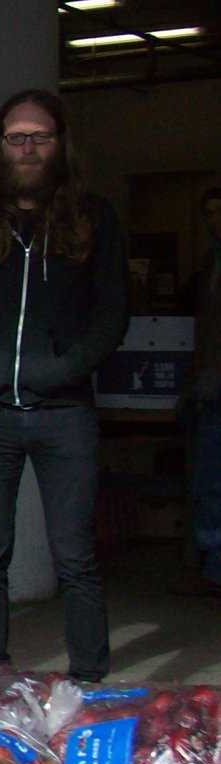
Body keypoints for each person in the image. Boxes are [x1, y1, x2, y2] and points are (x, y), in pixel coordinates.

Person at [0, 87, 128, 683]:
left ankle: (90, 681)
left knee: (76, 557)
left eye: (40, 137)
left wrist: (64, 370)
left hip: (65, 414)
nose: (28, 148)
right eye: (17, 137)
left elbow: (112, 316)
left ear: (60, 144)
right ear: (0, 146)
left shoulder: (94, 219)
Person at [170, 186, 221, 596]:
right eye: (210, 213)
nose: (216, 220)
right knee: (208, 484)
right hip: (210, 390)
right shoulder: (209, 266)